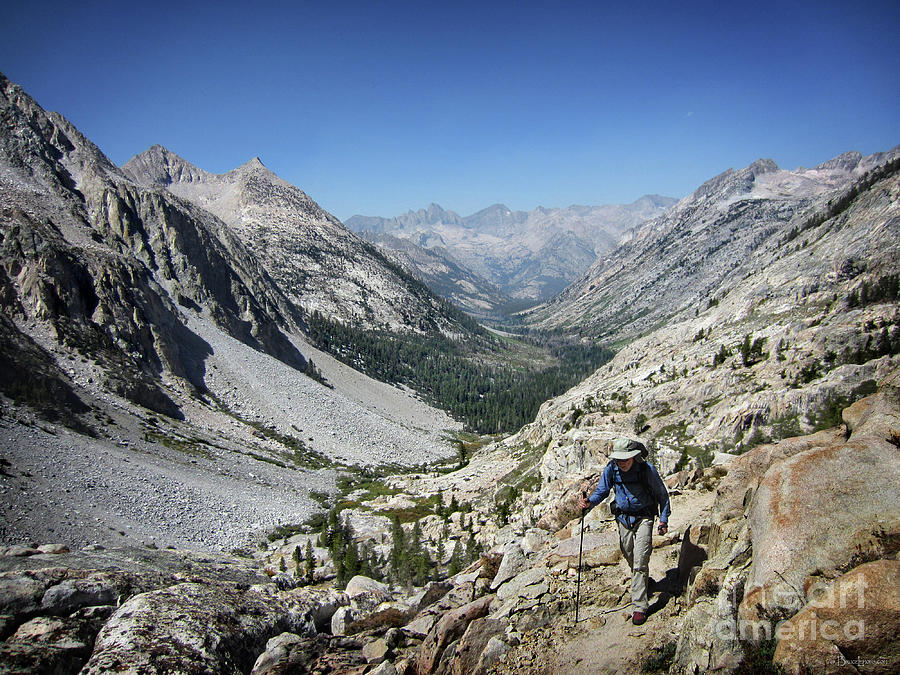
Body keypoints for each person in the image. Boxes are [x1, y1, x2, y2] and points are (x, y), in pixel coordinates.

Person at [577, 437, 671, 625]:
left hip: (644, 517)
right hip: (622, 519)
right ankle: (643, 582)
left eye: (624, 459)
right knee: (629, 555)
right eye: (618, 459)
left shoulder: (646, 470)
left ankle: (639, 607)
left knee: (640, 559)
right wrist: (589, 502)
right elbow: (602, 491)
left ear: (634, 456)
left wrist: (663, 519)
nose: (621, 463)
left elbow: (662, 495)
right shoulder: (612, 469)